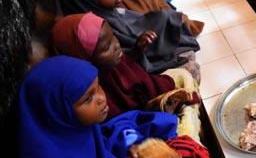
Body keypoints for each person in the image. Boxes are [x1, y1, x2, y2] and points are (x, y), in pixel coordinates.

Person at [18, 55, 180, 157]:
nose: (102, 98)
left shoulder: (78, 129)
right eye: (88, 99)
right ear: (56, 113)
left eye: (99, 87)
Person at [59, 0, 200, 74]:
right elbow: (120, 56)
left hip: (141, 37)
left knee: (165, 17)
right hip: (138, 54)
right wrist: (138, 47)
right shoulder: (95, 28)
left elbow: (133, 21)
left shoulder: (110, 10)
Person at [51, 13, 177, 118]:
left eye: (114, 37)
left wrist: (137, 50)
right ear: (83, 59)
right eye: (107, 47)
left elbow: (144, 81)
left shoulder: (117, 63)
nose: (116, 45)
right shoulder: (96, 98)